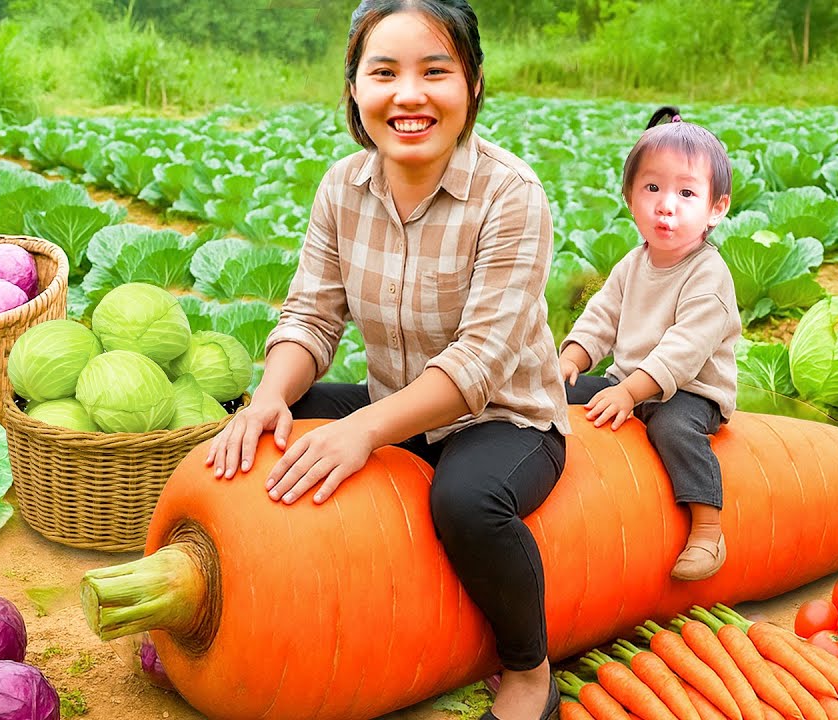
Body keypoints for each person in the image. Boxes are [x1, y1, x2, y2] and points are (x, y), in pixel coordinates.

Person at [205, 2, 568, 719]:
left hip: (504, 418)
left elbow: (480, 362)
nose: (409, 95)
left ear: (472, 84)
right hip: (392, 403)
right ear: (354, 88)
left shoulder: (512, 194)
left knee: (466, 502)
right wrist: (270, 395)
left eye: (434, 72)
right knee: (279, 421)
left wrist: (365, 430)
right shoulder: (342, 187)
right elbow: (312, 316)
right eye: (384, 73)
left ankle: (530, 671)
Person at [558, 106, 740, 582]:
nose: (666, 205)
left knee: (674, 430)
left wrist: (630, 392)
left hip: (691, 391)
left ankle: (708, 528)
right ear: (630, 197)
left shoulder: (708, 274)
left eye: (686, 193)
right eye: (652, 188)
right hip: (627, 381)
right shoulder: (633, 262)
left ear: (716, 208)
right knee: (556, 391)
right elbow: (602, 315)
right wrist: (572, 357)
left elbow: (684, 350)